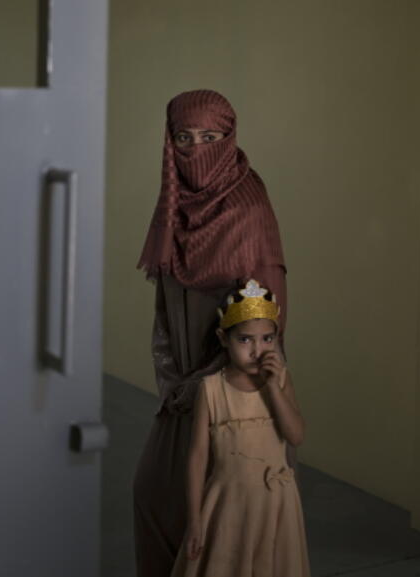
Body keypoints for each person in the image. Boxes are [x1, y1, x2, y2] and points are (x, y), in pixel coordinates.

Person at [133, 90, 288, 577]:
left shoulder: (248, 208)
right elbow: (163, 308)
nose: (196, 150)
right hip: (180, 387)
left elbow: (263, 324)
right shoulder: (174, 206)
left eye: (209, 137)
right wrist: (171, 380)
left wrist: (209, 384)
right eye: (183, 138)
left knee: (222, 527)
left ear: (229, 138)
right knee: (154, 498)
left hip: (232, 390)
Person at [173, 280, 309, 577]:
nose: (258, 350)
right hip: (228, 506)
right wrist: (195, 520)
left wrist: (273, 388)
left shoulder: (281, 380)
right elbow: (196, 459)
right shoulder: (210, 390)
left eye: (267, 339)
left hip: (275, 506)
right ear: (224, 338)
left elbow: (296, 435)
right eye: (245, 340)